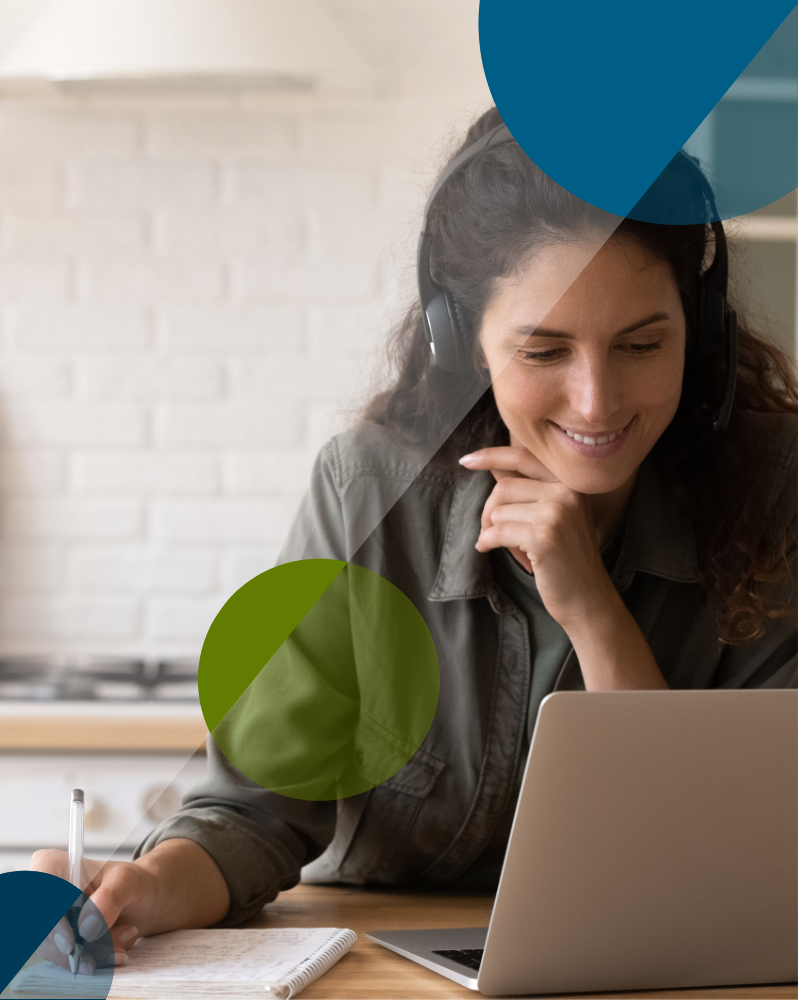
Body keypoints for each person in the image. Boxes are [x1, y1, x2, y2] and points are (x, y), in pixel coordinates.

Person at [33, 106, 797, 973]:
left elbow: (722, 857)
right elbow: (253, 813)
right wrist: (142, 887)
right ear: (461, 340)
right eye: (545, 352)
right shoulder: (366, 490)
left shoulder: (777, 489)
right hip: (382, 971)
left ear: (699, 330)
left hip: (669, 973)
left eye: (641, 344)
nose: (596, 401)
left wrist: (593, 609)